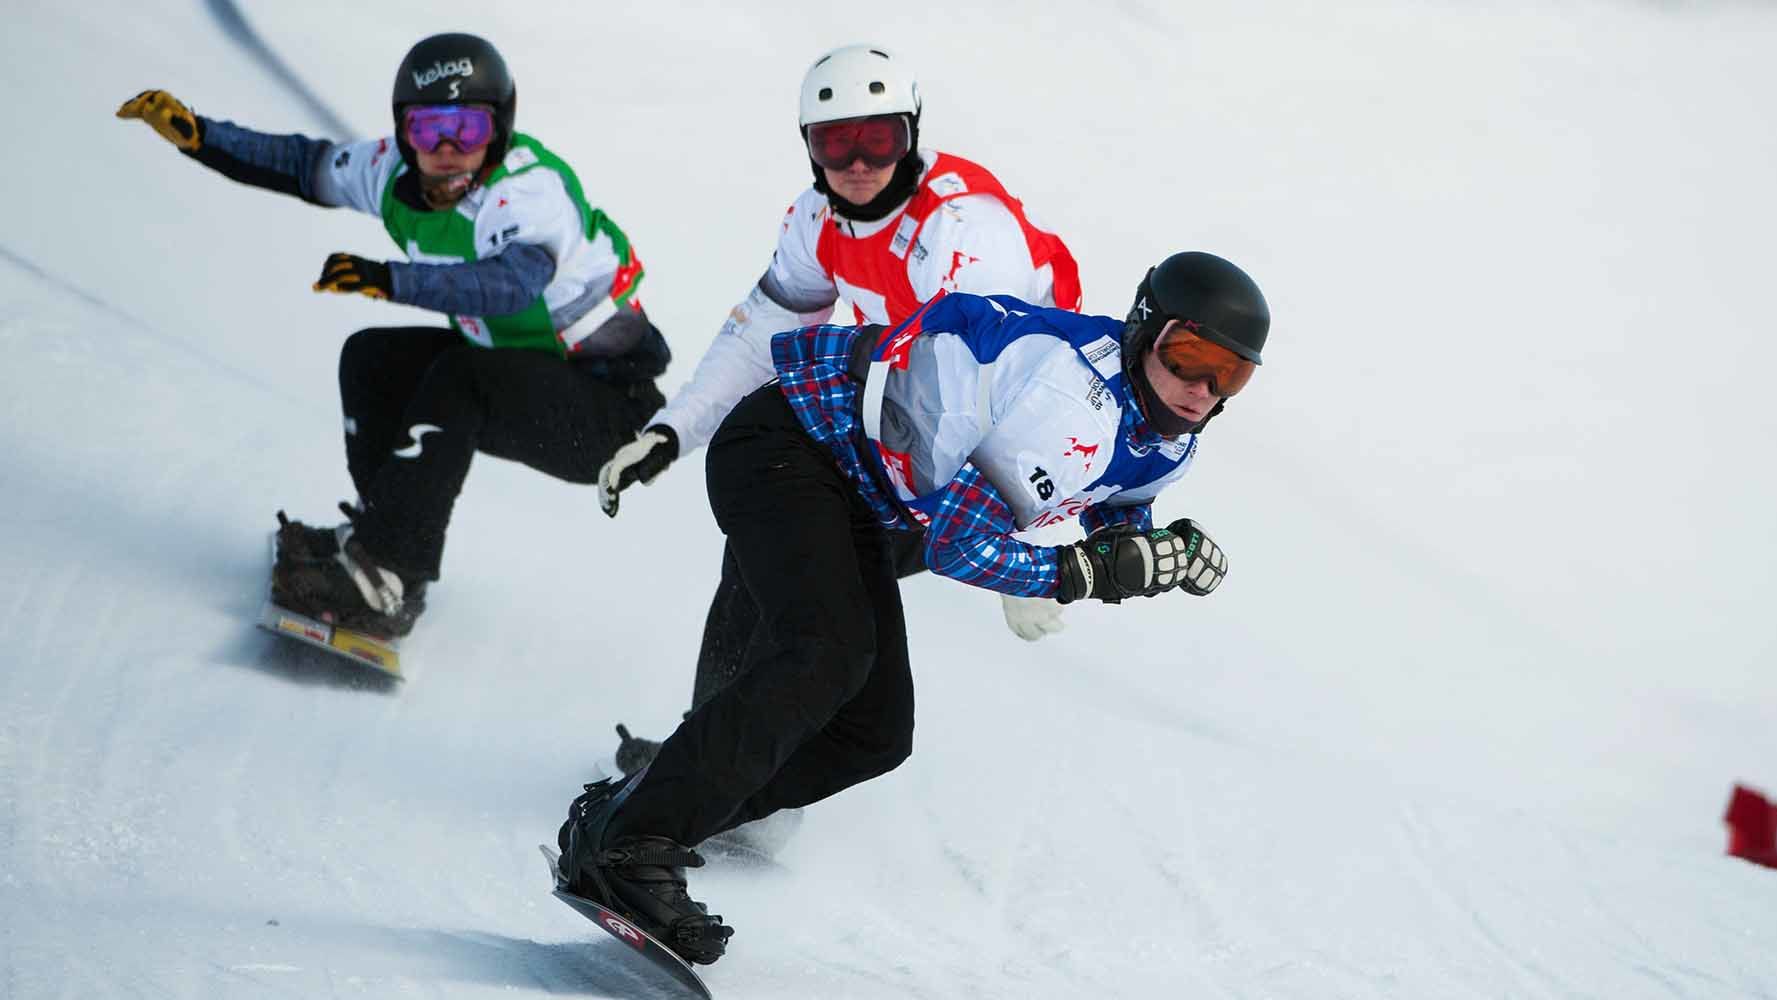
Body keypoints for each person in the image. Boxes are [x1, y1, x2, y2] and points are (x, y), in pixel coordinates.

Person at [557, 251, 1271, 964]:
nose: (1201, 386)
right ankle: (630, 844)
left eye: (1228, 373)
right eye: (1188, 354)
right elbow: (958, 547)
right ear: (1146, 332)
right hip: (788, 445)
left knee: (873, 733)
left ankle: (642, 810)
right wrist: (1083, 572)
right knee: (825, 654)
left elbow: (1118, 505)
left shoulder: (1165, 440)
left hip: (861, 495)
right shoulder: (1061, 395)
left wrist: (1151, 554)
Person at [597, 44, 1083, 777]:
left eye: (878, 138)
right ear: (809, 148)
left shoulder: (963, 235)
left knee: (800, 574)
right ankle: (712, 763)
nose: (858, 161)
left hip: (999, 447)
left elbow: (1012, 400)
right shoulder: (817, 218)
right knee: (770, 557)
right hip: (908, 417)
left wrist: (1018, 557)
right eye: (835, 141)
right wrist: (671, 433)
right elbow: (764, 331)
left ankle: (725, 775)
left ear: (910, 133)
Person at [117, 33, 667, 638]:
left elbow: (509, 286)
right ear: (404, 134)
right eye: (430, 130)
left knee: (461, 379)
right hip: (524, 367)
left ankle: (388, 574)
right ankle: (379, 537)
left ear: (501, 130)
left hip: (611, 418)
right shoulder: (389, 172)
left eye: (470, 129)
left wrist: (391, 279)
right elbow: (308, 165)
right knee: (373, 359)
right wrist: (203, 137)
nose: (450, 150)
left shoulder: (527, 192)